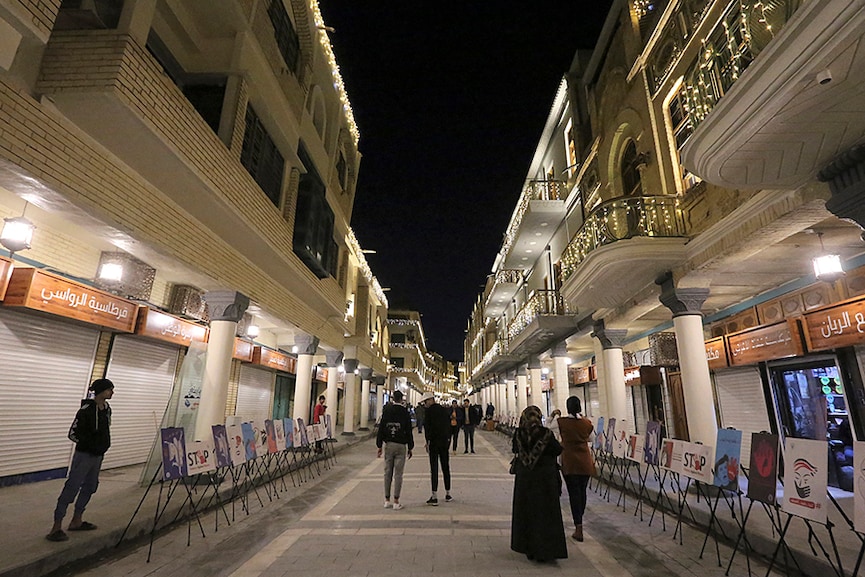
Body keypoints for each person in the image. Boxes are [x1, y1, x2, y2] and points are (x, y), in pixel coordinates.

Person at [47, 378, 115, 542]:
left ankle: (77, 519)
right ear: (101, 391)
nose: (112, 392)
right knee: (72, 487)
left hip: (98, 456)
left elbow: (106, 429)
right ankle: (56, 526)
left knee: (91, 486)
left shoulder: (107, 409)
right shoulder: (86, 410)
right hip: (84, 455)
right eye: (110, 389)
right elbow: (73, 433)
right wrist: (89, 444)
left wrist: (102, 446)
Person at [510, 405, 567, 563]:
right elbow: (557, 450)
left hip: (525, 480)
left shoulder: (519, 433)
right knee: (545, 513)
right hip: (545, 480)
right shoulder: (546, 434)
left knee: (527, 513)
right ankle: (546, 549)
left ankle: (528, 548)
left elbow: (515, 449)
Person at [558, 396, 596, 542]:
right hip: (585, 461)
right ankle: (579, 523)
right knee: (582, 492)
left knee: (574, 493)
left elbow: (549, 427)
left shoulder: (561, 422)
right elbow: (591, 439)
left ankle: (578, 527)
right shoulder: (587, 423)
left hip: (570, 461)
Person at [376, 389, 413, 510]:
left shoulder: (387, 410)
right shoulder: (405, 412)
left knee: (387, 473)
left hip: (389, 444)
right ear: (401, 399)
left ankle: (387, 500)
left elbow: (381, 428)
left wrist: (379, 445)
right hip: (401, 445)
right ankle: (396, 501)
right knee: (398, 474)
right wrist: (410, 447)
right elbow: (408, 429)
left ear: (392, 398)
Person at [421, 392, 452, 505]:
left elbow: (427, 428)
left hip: (434, 443)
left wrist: (427, 442)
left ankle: (434, 496)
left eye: (425, 402)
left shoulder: (428, 412)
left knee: (434, 469)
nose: (425, 404)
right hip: (444, 443)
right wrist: (448, 440)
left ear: (430, 400)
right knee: (445, 467)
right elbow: (449, 426)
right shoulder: (444, 410)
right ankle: (448, 493)